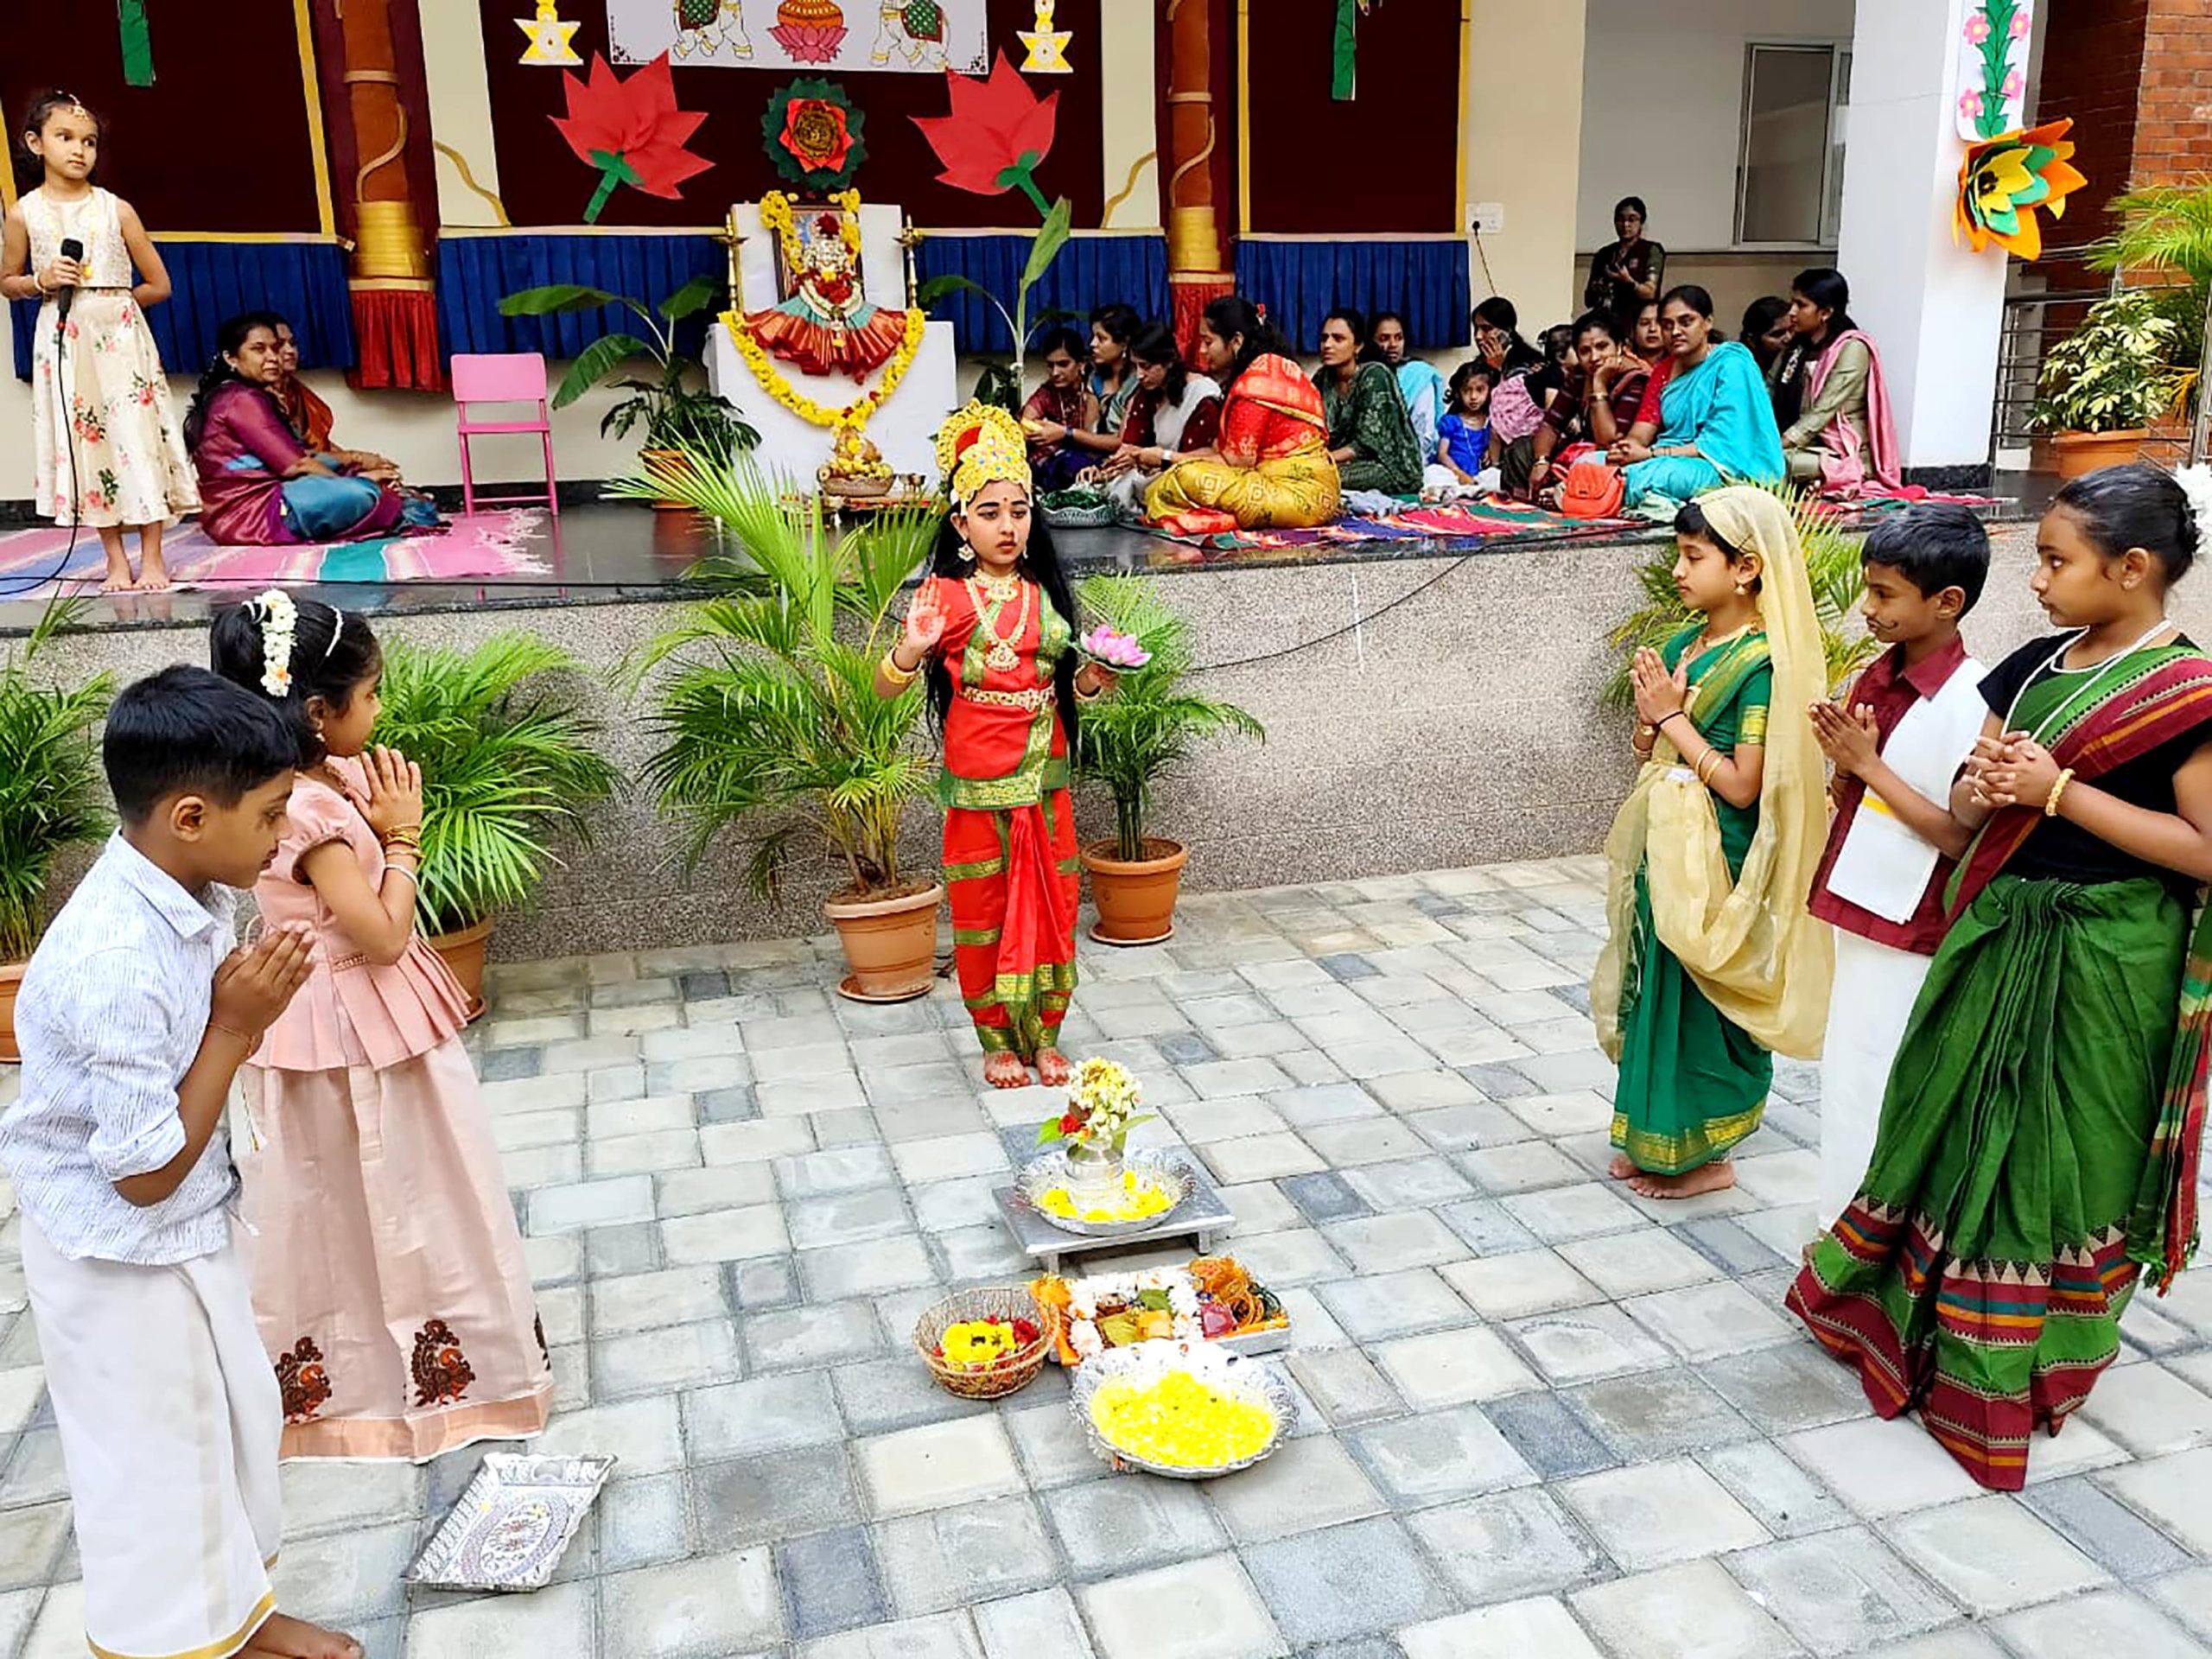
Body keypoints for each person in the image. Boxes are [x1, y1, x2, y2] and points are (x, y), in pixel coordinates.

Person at [1789, 464, 2212, 1491]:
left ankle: (2017, 1363)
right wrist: (1904, 772)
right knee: (1941, 1119)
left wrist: (2060, 792)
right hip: (1991, 935)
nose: (2036, 581)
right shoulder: (2028, 670)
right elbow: (1956, 827)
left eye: (2057, 562)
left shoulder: (2186, 692)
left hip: (2109, 955)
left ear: (2134, 569)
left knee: (2063, 1149)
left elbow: (2202, 847)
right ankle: (1905, 1322)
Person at [0, 665, 365, 1659]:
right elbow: (143, 1174)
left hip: (178, 1228)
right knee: (154, 1460)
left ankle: (239, 1614)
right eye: (274, 812)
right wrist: (238, 1029)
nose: (288, 834)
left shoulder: (183, 884)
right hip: (120, 1252)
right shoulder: (115, 958)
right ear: (193, 815)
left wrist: (229, 1022)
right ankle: (168, 1640)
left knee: (222, 1425)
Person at [211, 592, 553, 1462]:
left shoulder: (331, 778)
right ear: (317, 711)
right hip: (341, 1017)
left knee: (413, 1190)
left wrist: (382, 811)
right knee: (357, 1199)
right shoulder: (301, 810)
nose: (379, 709)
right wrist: (404, 842)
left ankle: (445, 1373)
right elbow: (383, 931)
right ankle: (369, 1396)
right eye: (370, 695)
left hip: (374, 1013)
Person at [1593, 489, 1833, 1198]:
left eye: (1694, 557)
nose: (1678, 570)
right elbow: (1648, 749)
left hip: (1719, 856)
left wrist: (1670, 716)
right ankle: (1653, 1138)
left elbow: (1740, 786)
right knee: (1656, 981)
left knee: (1701, 993)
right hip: (1663, 844)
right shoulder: (1679, 645)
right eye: (1678, 554)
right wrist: (1650, 722)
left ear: (1747, 569)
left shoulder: (1763, 663)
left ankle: (1711, 1154)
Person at [876, 404, 1120, 1087]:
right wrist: (909, 649)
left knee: (1053, 907)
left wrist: (1097, 679)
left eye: (1018, 510)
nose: (1008, 526)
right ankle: (995, 1042)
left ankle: (1045, 1036)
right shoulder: (945, 598)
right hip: (979, 783)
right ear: (960, 524)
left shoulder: (1045, 594)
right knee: (984, 913)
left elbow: (1078, 685)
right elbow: (885, 688)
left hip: (1046, 781)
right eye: (990, 512)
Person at [1804, 507, 1991, 1226]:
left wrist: (1864, 765)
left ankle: (1869, 1236)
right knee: (1848, 1073)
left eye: (1884, 594)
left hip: (1915, 922)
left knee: (1882, 1076)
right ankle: (1839, 1226)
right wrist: (1846, 774)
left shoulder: (1973, 702)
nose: (1868, 608)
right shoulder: (1874, 677)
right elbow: (1855, 793)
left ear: (1947, 603)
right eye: (1869, 590)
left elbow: (1955, 836)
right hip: (1861, 902)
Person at [0, 92, 198, 592]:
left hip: (119, 337)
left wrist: (116, 303)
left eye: (88, 141)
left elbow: (160, 283)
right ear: (35, 143)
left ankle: (152, 556)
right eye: (64, 138)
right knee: (89, 442)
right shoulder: (25, 215)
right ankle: (114, 559)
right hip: (64, 338)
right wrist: (40, 281)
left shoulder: (117, 210)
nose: (78, 150)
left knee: (135, 436)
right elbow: (8, 279)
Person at [185, 315, 410, 545]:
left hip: (254, 503)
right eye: (259, 349)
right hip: (250, 514)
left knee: (355, 478)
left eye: (274, 348)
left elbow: (302, 456)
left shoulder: (242, 393)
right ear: (230, 358)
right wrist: (357, 480)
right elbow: (296, 465)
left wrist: (355, 463)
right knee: (364, 495)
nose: (273, 357)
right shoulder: (240, 398)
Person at [1145, 296, 1341, 535]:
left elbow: (1235, 464)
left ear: (1236, 341)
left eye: (1208, 342)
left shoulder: (1255, 385)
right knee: (1173, 478)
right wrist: (1165, 458)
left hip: (1295, 495)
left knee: (1180, 479)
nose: (1202, 351)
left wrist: (1165, 459)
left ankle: (1217, 520)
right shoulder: (1269, 369)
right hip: (1316, 491)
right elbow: (1219, 452)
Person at [1609, 285, 1786, 512]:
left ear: (1707, 322)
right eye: (1667, 325)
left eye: (1686, 322)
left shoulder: (1731, 364)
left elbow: (1719, 443)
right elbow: (1641, 431)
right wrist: (1625, 450)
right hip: (1667, 457)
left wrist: (1650, 454)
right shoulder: (1663, 371)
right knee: (1590, 463)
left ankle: (1606, 490)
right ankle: (1607, 487)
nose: (1675, 332)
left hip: (1722, 467)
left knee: (1653, 476)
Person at [1770, 268, 1905, 497]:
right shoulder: (1798, 346)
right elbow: (1770, 388)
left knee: (1774, 462)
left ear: (1825, 313)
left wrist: (1776, 444)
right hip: (1804, 446)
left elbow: (1824, 410)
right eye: (1792, 303)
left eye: (1801, 305)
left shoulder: (1852, 348)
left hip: (1841, 453)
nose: (1792, 312)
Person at [1506, 309, 1651, 501]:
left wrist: (1599, 386)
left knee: (1589, 460)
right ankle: (1525, 505)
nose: (1594, 357)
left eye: (1602, 346)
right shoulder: (1580, 375)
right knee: (1521, 449)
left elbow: (1608, 442)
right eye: (1585, 351)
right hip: (1582, 449)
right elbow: (1551, 423)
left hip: (1619, 457)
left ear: (1621, 346)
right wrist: (1541, 461)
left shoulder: (1637, 380)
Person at [1095, 320, 1222, 517]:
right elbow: (1131, 445)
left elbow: (1196, 463)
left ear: (1169, 361)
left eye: (1145, 366)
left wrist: (1156, 458)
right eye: (1135, 367)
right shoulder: (1147, 392)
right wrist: (1108, 468)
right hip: (1154, 471)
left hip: (1186, 476)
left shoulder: (1202, 397)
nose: (1139, 375)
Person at [1314, 307, 1423, 497]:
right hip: (1337, 460)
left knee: (1319, 477)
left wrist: (1324, 460)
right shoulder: (1322, 378)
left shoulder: (1375, 375)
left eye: (1338, 339)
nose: (1327, 345)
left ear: (1358, 346)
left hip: (1387, 466)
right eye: (1324, 338)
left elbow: (1366, 444)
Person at [1019, 326, 1100, 493]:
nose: (1055, 372)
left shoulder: (1090, 394)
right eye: (1050, 365)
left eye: (1063, 364)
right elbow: (1025, 424)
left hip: (1083, 460)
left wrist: (1064, 433)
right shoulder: (1045, 394)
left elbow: (1092, 440)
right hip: (1047, 465)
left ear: (1081, 365)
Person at [1373, 310, 1449, 463]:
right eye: (1384, 338)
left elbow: (1424, 430)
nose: (1393, 345)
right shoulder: (1365, 374)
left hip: (1411, 459)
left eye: (1399, 338)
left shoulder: (1418, 374)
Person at [1586, 196, 1667, 330]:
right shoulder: (1604, 254)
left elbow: (1650, 293)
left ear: (1642, 223)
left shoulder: (1651, 250)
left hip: (1637, 322)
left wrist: (1629, 282)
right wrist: (1598, 289)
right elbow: (1588, 301)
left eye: (1632, 219)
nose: (1625, 225)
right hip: (1605, 322)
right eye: (1620, 219)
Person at [1428, 361, 1496, 490]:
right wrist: (1459, 473)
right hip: (1453, 473)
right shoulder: (1451, 421)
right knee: (1432, 473)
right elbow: (1442, 454)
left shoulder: (1490, 421)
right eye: (1467, 391)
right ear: (1458, 393)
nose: (1473, 397)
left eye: (1480, 390)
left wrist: (1489, 451)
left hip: (1479, 475)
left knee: (1495, 476)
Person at [1087, 303, 1143, 440]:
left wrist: (1069, 434)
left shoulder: (1140, 380)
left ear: (1124, 343)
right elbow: (1088, 432)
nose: (1092, 344)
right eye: (1093, 336)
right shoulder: (1096, 378)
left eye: (1101, 338)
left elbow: (1123, 440)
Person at [1471, 296, 1543, 378]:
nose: (1478, 336)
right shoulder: (1476, 365)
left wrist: (1497, 368)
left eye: (1487, 329)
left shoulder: (1530, 364)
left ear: (1507, 330)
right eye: (1476, 328)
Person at [1741, 295, 1793, 378]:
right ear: (1752, 340)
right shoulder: (1739, 369)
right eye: (1777, 335)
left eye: (1791, 330)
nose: (1788, 338)